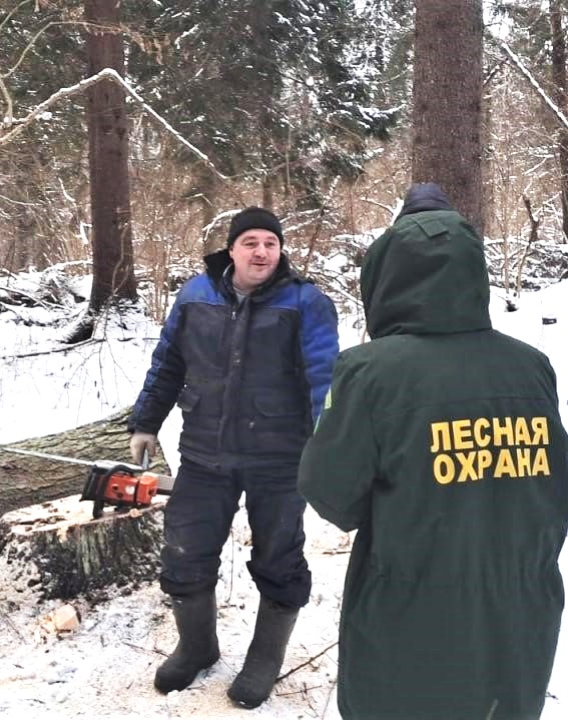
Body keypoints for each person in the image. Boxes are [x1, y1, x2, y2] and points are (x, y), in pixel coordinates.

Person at [298, 183, 568, 719]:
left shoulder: (370, 372)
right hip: (520, 610)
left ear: (385, 276)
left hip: (413, 611)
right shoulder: (531, 366)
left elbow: (331, 494)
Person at [128, 207, 339, 707]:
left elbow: (324, 378)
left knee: (279, 557)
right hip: (205, 451)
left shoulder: (306, 302)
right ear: (231, 250)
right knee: (184, 552)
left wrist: (328, 444)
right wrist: (145, 421)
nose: (261, 251)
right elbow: (169, 361)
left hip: (281, 457)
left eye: (270, 242)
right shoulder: (194, 295)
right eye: (250, 242)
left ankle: (264, 659)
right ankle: (197, 648)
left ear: (280, 249)